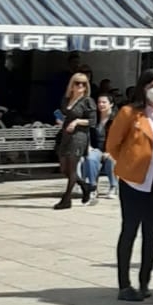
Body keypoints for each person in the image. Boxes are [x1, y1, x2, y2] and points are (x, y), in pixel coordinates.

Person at [105, 69, 153, 302]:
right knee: (129, 229)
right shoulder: (130, 113)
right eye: (152, 85)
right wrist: (130, 161)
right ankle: (124, 284)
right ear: (142, 88)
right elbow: (112, 144)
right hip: (133, 181)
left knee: (151, 231)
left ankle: (145, 281)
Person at [55, 71, 97, 210]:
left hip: (79, 136)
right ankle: (86, 186)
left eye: (83, 84)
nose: (80, 86)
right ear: (71, 85)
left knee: (72, 167)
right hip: (66, 135)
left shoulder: (87, 101)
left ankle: (66, 199)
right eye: (77, 83)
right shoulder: (66, 100)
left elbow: (92, 121)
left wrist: (77, 121)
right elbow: (64, 113)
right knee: (64, 168)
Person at [90, 91, 119, 201]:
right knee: (89, 159)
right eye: (99, 102)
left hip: (112, 151)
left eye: (104, 102)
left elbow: (119, 139)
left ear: (111, 104)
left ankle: (113, 186)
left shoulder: (116, 119)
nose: (101, 104)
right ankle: (92, 187)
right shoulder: (94, 119)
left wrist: (110, 151)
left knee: (110, 160)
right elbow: (89, 135)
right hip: (96, 150)